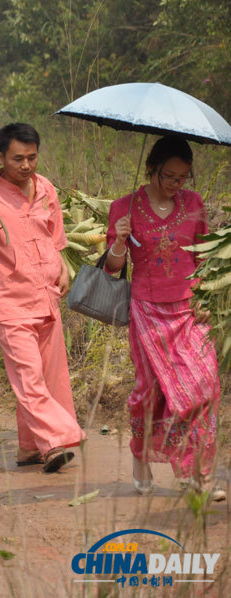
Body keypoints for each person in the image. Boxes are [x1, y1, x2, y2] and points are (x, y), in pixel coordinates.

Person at [0, 123, 85, 473]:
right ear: (0, 157)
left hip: (48, 299)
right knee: (29, 380)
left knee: (50, 379)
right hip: (11, 304)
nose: (26, 165)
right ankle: (58, 438)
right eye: (17, 159)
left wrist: (63, 268)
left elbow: (55, 238)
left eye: (31, 157)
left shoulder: (45, 189)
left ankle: (30, 448)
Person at [104, 136, 223, 499]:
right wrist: (120, 242)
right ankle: (141, 457)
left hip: (190, 309)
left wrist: (205, 293)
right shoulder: (124, 208)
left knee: (204, 387)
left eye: (183, 177)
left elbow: (204, 255)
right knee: (151, 391)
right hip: (148, 311)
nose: (176, 185)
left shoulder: (194, 204)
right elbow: (112, 270)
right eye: (169, 176)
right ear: (151, 169)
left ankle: (197, 474)